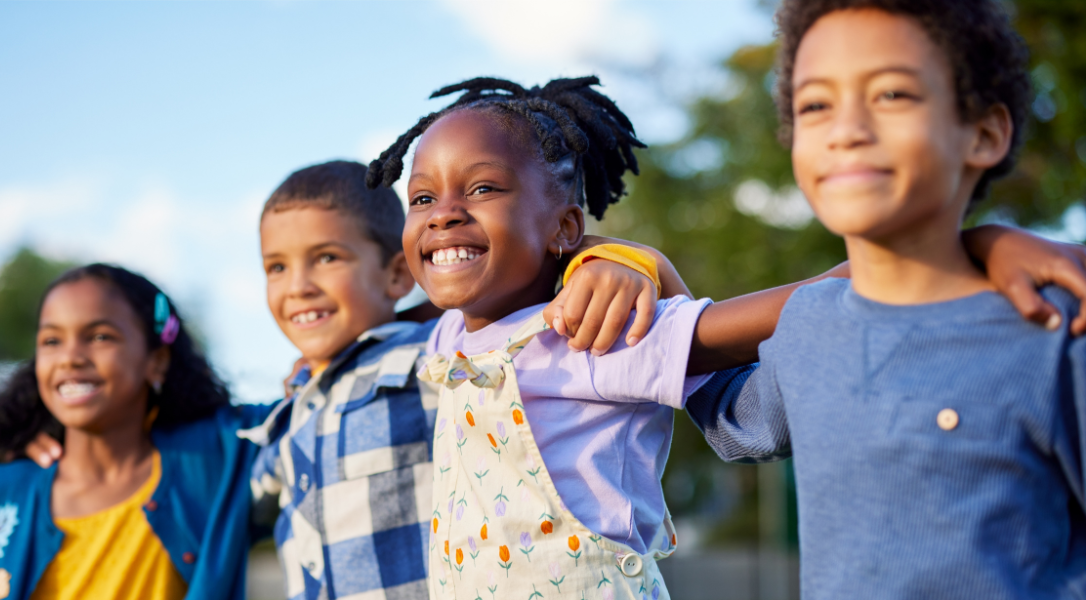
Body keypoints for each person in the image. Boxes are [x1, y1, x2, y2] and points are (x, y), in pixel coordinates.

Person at [364, 74, 1086, 599]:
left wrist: (963, 251)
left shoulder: (599, 332)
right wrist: (617, 252)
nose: (444, 213)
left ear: (564, 227)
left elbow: (800, 303)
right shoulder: (446, 334)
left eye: (482, 188)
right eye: (422, 197)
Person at [684, 1, 1086, 598]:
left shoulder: (1053, 326)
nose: (846, 130)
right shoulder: (805, 328)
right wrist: (642, 269)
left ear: (984, 134)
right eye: (816, 105)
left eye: (892, 94)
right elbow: (724, 415)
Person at [228, 160, 674, 600]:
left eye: (327, 258)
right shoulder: (288, 412)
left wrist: (602, 260)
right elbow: (238, 507)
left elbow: (499, 306)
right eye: (276, 267)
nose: (298, 286)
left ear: (397, 274)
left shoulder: (432, 355)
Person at [0, 265, 272, 600]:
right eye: (51, 340)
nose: (70, 357)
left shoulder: (215, 456)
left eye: (100, 336)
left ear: (156, 362)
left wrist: (306, 375)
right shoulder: (0, 492)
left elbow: (298, 417)